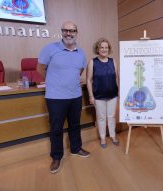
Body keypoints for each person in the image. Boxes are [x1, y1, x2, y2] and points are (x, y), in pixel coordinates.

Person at [37, 21, 90, 174]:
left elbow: (79, 71)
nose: (69, 33)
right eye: (66, 30)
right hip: (55, 97)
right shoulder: (50, 49)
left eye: (72, 30)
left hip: (75, 96)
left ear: (76, 33)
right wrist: (54, 81)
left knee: (75, 125)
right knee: (56, 128)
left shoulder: (81, 53)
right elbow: (40, 69)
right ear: (61, 31)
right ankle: (56, 157)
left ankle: (75, 148)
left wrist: (68, 80)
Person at [86, 38, 119, 148]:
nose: (104, 49)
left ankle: (113, 136)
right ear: (97, 49)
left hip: (112, 95)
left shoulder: (113, 61)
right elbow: (88, 80)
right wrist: (91, 96)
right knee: (101, 118)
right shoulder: (92, 62)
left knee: (111, 116)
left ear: (108, 49)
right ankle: (103, 138)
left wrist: (120, 91)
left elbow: (117, 78)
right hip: (98, 96)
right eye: (102, 47)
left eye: (106, 47)